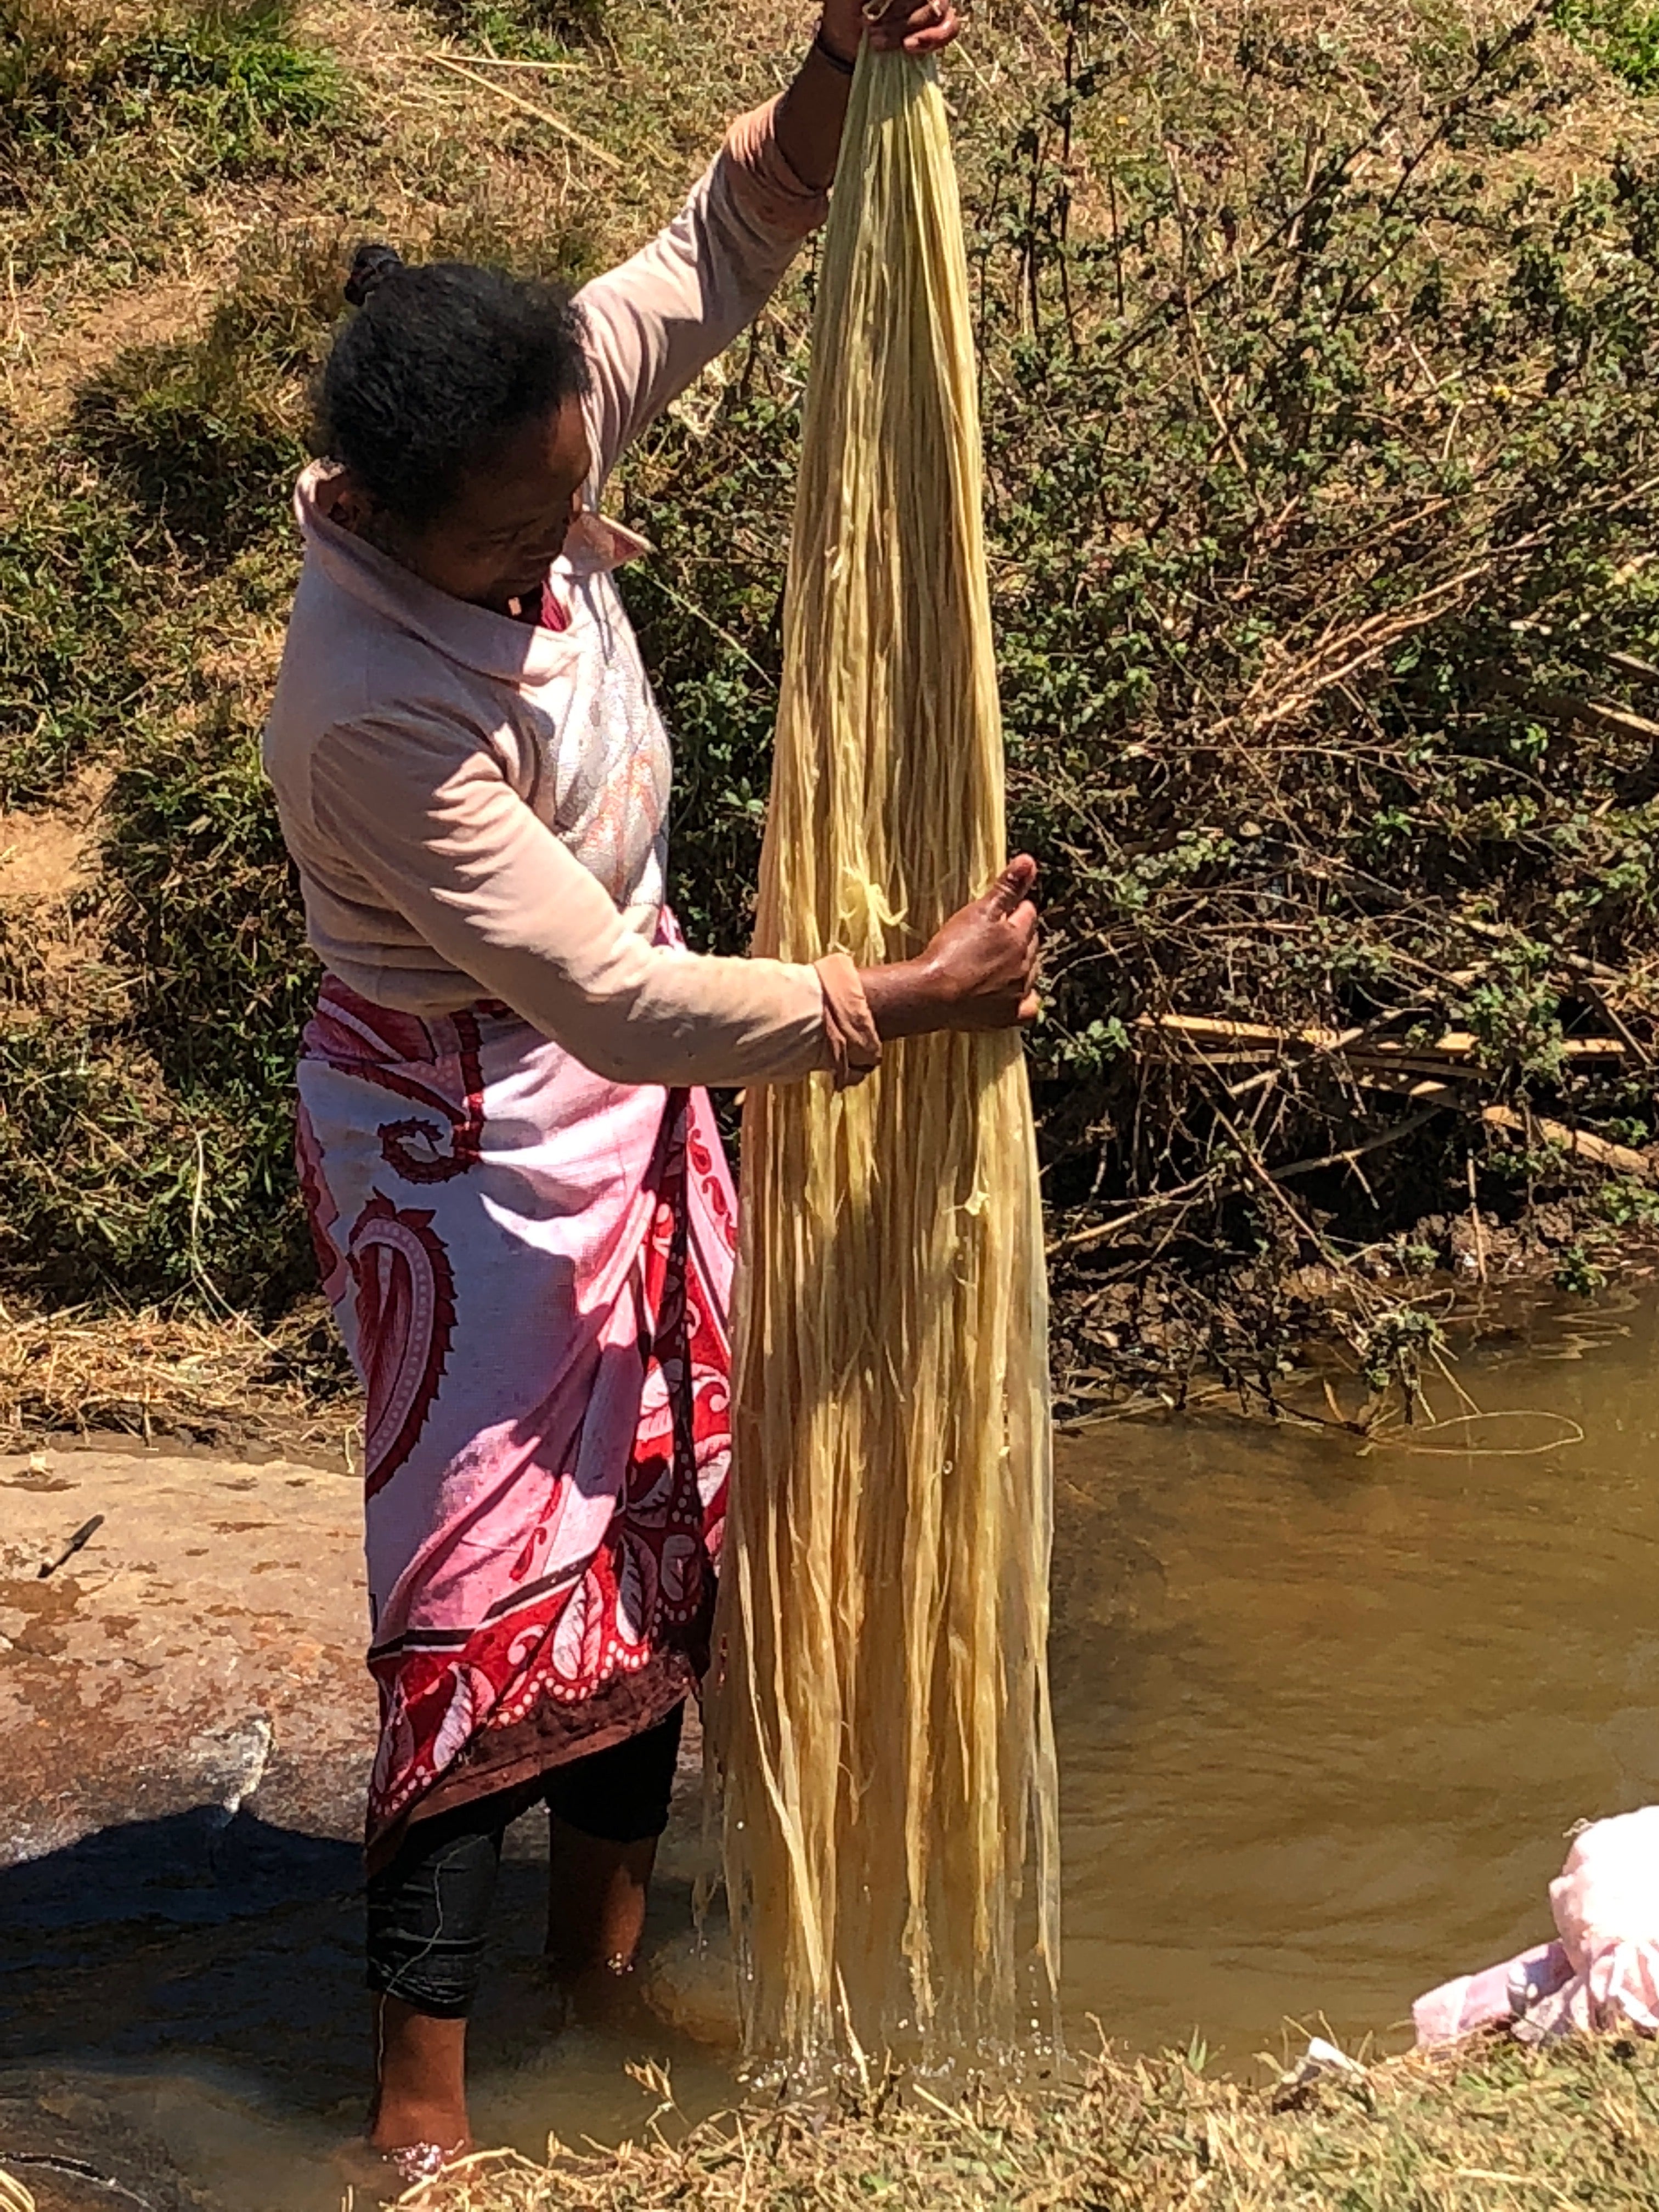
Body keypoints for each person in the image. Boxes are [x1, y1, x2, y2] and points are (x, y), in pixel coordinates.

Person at [262, 0, 1033, 2175]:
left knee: (656, 1557)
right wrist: (913, 997)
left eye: (570, 478)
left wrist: (837, 53)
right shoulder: (370, 711)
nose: (573, 527)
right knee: (479, 1608)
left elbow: (737, 228)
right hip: (464, 1156)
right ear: (402, 522)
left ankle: (595, 1984)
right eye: (528, 523)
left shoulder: (536, 423)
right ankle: (424, 2123)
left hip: (632, 1116)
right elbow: (602, 991)